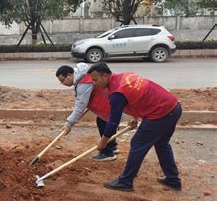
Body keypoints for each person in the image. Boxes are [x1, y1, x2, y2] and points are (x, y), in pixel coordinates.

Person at [88, 62, 182, 192]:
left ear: (105, 76)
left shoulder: (116, 93)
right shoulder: (122, 77)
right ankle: (173, 180)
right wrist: (135, 117)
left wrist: (103, 141)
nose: (94, 83)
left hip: (161, 113)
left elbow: (113, 121)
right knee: (161, 143)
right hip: (173, 106)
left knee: (137, 143)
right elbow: (137, 95)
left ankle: (125, 181)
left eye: (95, 80)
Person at [56, 63, 118, 161]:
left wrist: (69, 124)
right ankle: (112, 145)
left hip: (107, 102)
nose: (63, 84)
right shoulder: (82, 75)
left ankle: (107, 152)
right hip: (107, 100)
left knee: (104, 123)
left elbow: (80, 106)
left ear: (69, 75)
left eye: (63, 80)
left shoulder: (83, 83)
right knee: (104, 121)